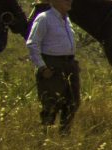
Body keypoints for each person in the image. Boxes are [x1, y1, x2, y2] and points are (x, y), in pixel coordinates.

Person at [28, 0, 81, 133]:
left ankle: (64, 135)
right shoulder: (44, 18)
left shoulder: (67, 20)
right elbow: (32, 44)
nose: (69, 1)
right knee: (51, 104)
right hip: (52, 66)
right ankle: (44, 140)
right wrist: (42, 67)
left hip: (69, 64)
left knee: (72, 102)